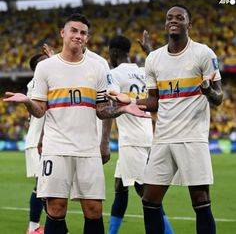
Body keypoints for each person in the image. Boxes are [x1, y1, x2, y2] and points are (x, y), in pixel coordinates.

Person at [3, 13, 150, 234]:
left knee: (93, 209)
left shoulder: (98, 68)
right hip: (56, 149)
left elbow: (101, 111)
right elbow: (40, 110)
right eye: (74, 30)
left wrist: (122, 109)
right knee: (56, 207)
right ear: (63, 33)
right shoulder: (46, 68)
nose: (78, 36)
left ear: (87, 38)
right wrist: (27, 102)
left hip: (88, 150)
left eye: (83, 32)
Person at [106, 5, 223, 234]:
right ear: (165, 23)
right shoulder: (154, 59)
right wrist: (128, 100)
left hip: (192, 137)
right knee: (149, 200)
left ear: (188, 24)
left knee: (200, 200)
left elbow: (218, 98)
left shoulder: (203, 53)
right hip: (162, 138)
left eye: (180, 17)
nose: (174, 20)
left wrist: (208, 90)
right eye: (170, 17)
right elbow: (154, 101)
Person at [107, 35, 174, 234]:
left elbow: (112, 103)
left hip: (131, 139)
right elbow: (163, 72)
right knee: (120, 186)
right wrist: (150, 51)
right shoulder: (144, 71)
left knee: (145, 193)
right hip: (145, 134)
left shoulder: (114, 74)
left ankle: (169, 233)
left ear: (114, 52)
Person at [25, 53, 49, 234]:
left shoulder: (39, 82)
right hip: (39, 141)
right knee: (46, 187)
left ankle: (35, 227)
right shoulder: (36, 83)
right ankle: (35, 228)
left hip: (45, 139)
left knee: (44, 186)